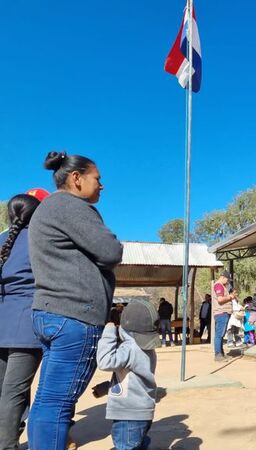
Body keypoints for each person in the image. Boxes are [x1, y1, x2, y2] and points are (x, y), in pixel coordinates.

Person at [27, 151, 123, 449]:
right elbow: (111, 251)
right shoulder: (71, 205)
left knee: (47, 400)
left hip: (53, 312)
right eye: (97, 178)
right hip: (74, 315)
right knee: (56, 404)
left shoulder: (51, 208)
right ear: (76, 178)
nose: (102, 185)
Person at [0, 192, 47, 449]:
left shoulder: (1, 240)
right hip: (26, 326)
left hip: (2, 323)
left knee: (5, 392)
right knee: (15, 393)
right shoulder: (39, 239)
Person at [97, 300, 160, 450]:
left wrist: (109, 332)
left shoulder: (130, 348)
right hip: (141, 412)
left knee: (126, 446)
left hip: (128, 416)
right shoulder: (147, 350)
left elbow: (104, 361)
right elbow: (134, 378)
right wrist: (108, 387)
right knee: (138, 443)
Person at [212, 271, 236, 361]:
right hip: (221, 313)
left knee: (221, 334)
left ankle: (221, 353)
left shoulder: (221, 286)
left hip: (223, 313)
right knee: (219, 334)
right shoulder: (219, 285)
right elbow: (220, 299)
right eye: (227, 280)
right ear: (223, 277)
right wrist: (230, 297)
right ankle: (218, 354)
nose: (228, 282)